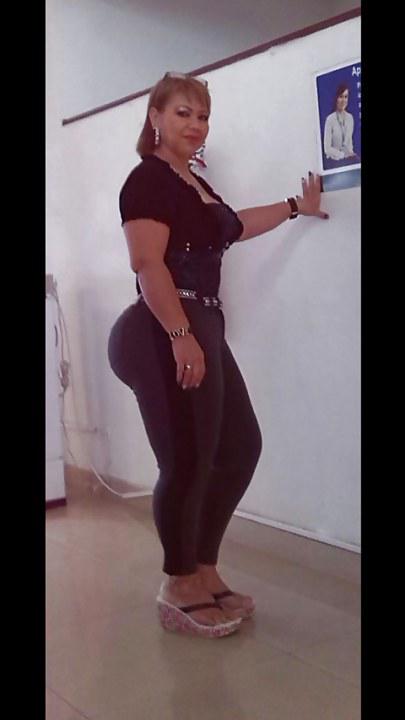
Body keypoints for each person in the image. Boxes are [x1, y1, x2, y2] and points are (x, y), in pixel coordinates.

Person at [108, 72, 329, 638]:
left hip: (200, 323)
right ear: (155, 118)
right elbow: (148, 264)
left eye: (203, 115)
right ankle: (178, 583)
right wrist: (181, 334)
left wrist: (294, 207)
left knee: (238, 448)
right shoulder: (148, 179)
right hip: (162, 327)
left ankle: (203, 568)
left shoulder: (195, 185)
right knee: (186, 459)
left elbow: (236, 225)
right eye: (183, 113)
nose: (195, 124)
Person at [323, 83, 359, 162]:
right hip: (334, 161)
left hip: (349, 160)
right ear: (336, 98)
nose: (343, 100)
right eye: (341, 97)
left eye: (346, 97)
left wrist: (350, 154)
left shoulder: (350, 118)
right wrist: (342, 155)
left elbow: (349, 145)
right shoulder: (330, 119)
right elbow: (327, 149)